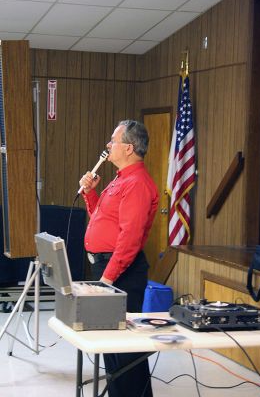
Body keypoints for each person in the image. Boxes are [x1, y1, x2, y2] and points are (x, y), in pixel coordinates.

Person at [79, 119, 159, 397]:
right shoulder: (120, 178)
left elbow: (129, 239)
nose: (108, 145)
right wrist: (90, 193)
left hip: (121, 272)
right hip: (109, 267)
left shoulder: (137, 183)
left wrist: (107, 279)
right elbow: (103, 220)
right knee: (112, 348)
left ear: (128, 147)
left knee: (125, 351)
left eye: (112, 141)